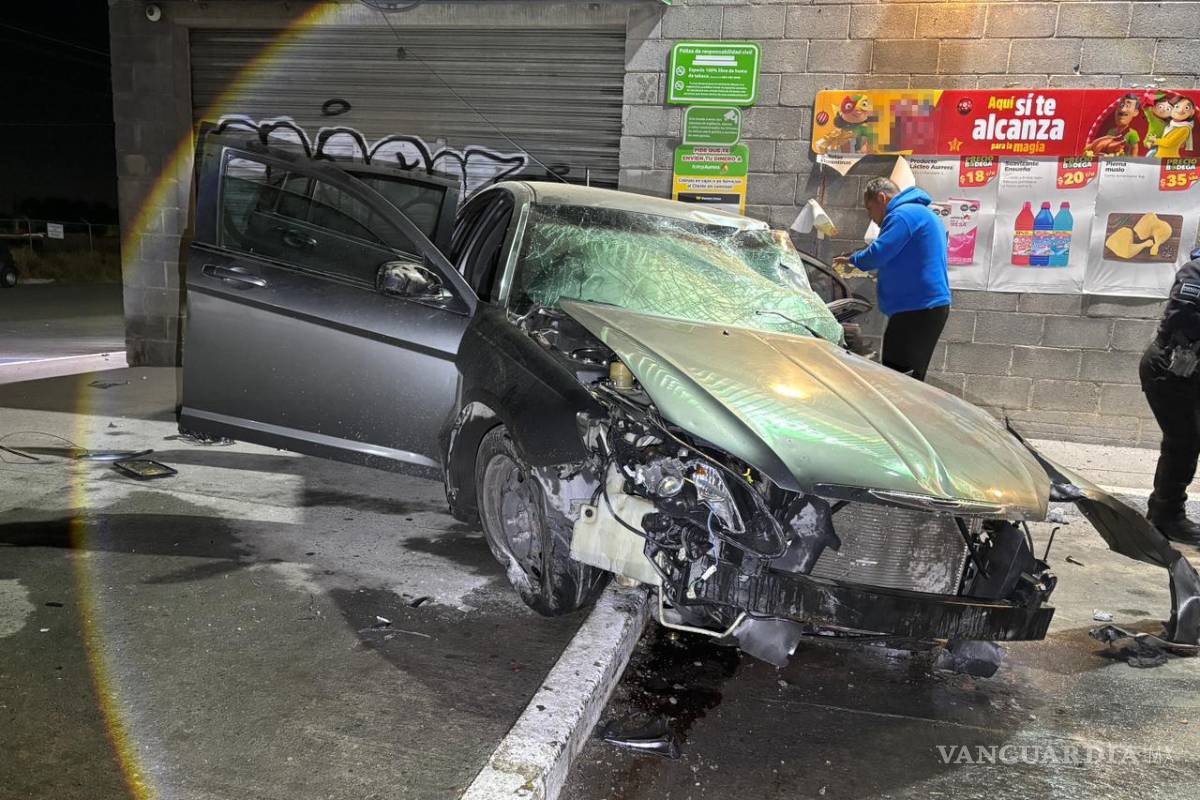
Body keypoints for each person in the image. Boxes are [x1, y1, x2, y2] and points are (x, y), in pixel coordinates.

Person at [832, 177, 951, 381]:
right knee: (908, 378)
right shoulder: (919, 213)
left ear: (881, 198)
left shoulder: (902, 215)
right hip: (922, 308)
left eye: (870, 209)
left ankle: (908, 413)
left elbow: (877, 254)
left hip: (917, 309)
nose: (872, 218)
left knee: (899, 378)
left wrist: (854, 259)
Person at [1140, 246, 1200, 545]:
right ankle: (1166, 516)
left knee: (1186, 442)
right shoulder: (1196, 271)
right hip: (1170, 367)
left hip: (1190, 370)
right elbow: (1181, 314)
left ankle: (1164, 512)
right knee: (1183, 442)